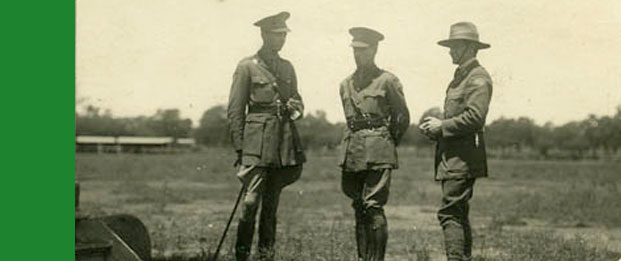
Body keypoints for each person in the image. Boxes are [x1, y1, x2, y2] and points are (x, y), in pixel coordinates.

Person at [226, 11, 305, 261]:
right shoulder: (247, 66)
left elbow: (299, 103)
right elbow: (235, 110)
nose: (281, 40)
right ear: (263, 35)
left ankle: (265, 256)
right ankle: (241, 256)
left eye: (283, 35)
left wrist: (296, 108)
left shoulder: (287, 67)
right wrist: (241, 148)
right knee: (250, 204)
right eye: (276, 35)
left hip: (282, 144)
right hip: (256, 145)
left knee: (271, 207)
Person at [419, 21, 493, 261]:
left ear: (470, 48)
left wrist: (443, 126)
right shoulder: (461, 77)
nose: (450, 51)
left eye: (455, 46)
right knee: (457, 213)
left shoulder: (477, 77)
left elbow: (475, 117)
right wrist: (437, 128)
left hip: (462, 158)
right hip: (453, 156)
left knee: (450, 213)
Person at [338, 27, 410, 261]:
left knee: (373, 207)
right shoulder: (345, 84)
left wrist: (386, 142)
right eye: (355, 50)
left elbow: (402, 117)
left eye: (363, 50)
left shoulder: (387, 80)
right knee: (358, 206)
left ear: (375, 50)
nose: (358, 55)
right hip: (353, 151)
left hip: (378, 150)